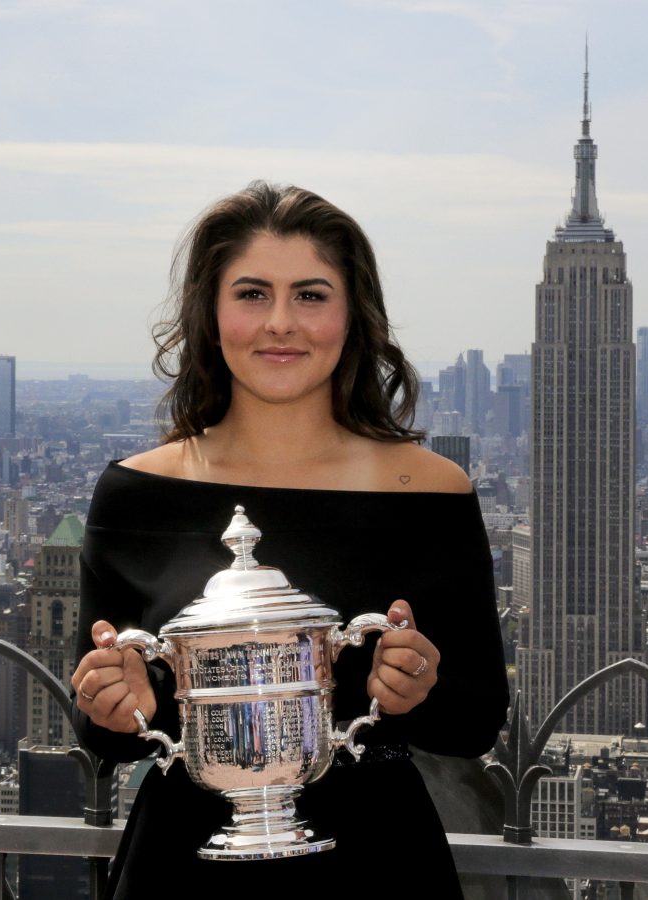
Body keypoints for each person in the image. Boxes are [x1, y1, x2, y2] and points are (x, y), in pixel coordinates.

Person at [69, 181, 509, 898]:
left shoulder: (427, 492)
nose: (281, 323)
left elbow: (473, 720)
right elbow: (107, 736)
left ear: (352, 315)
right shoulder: (137, 493)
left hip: (375, 862)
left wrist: (416, 689)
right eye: (251, 294)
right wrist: (115, 700)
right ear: (210, 317)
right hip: (184, 864)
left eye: (310, 294)